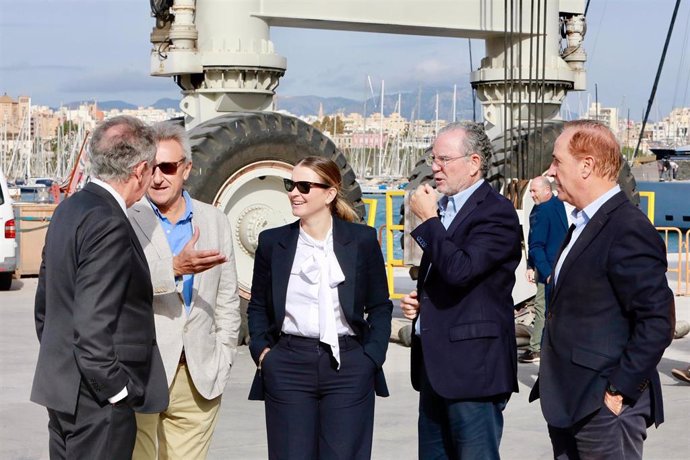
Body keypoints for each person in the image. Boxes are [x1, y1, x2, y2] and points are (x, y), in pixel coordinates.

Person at [529, 120, 675, 459]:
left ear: (587, 165)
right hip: (569, 400)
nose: (550, 171)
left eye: (556, 161)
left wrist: (618, 392)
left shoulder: (627, 228)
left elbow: (656, 321)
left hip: (603, 408)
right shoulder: (582, 222)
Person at [30, 115, 169, 460]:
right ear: (139, 171)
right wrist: (117, 391)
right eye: (153, 169)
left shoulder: (70, 208)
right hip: (97, 400)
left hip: (63, 388)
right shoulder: (108, 221)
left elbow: (46, 307)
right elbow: (92, 325)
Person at [247, 156, 393, 460]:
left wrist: (372, 357)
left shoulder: (362, 240)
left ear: (329, 193)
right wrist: (263, 354)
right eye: (290, 185)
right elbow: (258, 305)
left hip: (349, 365)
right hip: (288, 364)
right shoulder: (273, 242)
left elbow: (380, 305)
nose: (293, 193)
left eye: (304, 186)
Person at [399, 121, 522, 459]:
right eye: (432, 157)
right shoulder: (445, 209)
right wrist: (424, 302)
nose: (434, 167)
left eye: (443, 159)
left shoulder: (496, 212)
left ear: (473, 163)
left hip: (473, 371)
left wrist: (426, 221)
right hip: (435, 369)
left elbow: (461, 270)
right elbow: (449, 277)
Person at [128, 122, 242, 459]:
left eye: (168, 167)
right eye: (151, 168)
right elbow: (116, 286)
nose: (159, 178)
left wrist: (223, 356)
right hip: (142, 371)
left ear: (187, 169)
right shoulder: (126, 219)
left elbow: (227, 299)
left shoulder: (214, 220)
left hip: (198, 375)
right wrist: (173, 269)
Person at [520, 176, 568, 364]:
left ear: (547, 190)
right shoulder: (559, 205)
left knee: (542, 307)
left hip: (547, 269)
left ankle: (536, 348)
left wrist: (541, 270)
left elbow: (535, 244)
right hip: (558, 266)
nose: (531, 195)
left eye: (534, 191)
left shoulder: (540, 211)